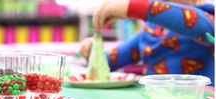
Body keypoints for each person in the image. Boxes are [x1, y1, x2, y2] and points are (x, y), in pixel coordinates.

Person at [80, 0, 215, 85]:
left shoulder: (206, 17)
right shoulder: (149, 30)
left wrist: (134, 7)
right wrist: (93, 52)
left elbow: (201, 25)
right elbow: (111, 61)